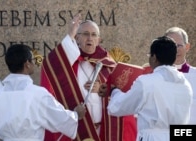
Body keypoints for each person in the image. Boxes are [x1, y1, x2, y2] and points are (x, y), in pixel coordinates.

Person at [40, 13, 137, 141]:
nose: (90, 38)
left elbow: (122, 94)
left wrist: (103, 89)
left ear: (98, 40)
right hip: (78, 130)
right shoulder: (70, 62)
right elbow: (52, 64)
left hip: (104, 130)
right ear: (77, 38)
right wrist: (70, 34)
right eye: (85, 34)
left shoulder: (108, 64)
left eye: (93, 35)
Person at [0, 44, 86, 141]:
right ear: (27, 64)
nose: (34, 64)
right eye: (32, 60)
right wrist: (76, 115)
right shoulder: (37, 94)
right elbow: (59, 118)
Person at [107, 36, 193, 141]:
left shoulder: (146, 82)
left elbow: (119, 106)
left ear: (154, 57)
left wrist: (114, 91)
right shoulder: (186, 85)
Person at [165, 27, 196, 124]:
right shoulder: (156, 76)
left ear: (187, 47)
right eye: (171, 46)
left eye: (179, 45)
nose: (176, 50)